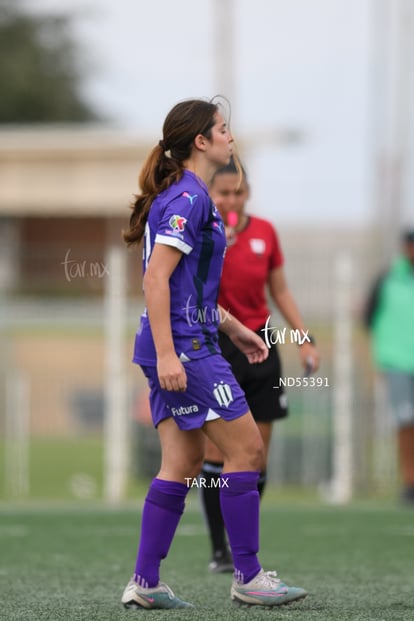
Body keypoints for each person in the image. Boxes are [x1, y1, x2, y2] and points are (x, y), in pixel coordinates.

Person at [120, 98, 308, 609]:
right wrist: (168, 355)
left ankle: (145, 584)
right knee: (247, 450)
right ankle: (248, 576)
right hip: (184, 348)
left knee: (180, 463)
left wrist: (239, 328)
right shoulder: (189, 199)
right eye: (223, 130)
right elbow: (156, 279)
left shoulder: (188, 195)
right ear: (200, 142)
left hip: (184, 340)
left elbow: (186, 286)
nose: (231, 137)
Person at [200, 158, 320, 572]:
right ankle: (220, 550)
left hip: (263, 345)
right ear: (211, 194)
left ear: (247, 193)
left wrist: (304, 339)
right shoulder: (204, 233)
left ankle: (242, 539)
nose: (231, 199)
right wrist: (220, 242)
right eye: (223, 193)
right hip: (217, 345)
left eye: (238, 192)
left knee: (257, 454)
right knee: (218, 450)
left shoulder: (266, 232)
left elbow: (280, 290)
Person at [364, 229, 414, 504]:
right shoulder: (387, 279)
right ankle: (410, 482)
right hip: (397, 361)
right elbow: (369, 319)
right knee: (406, 422)